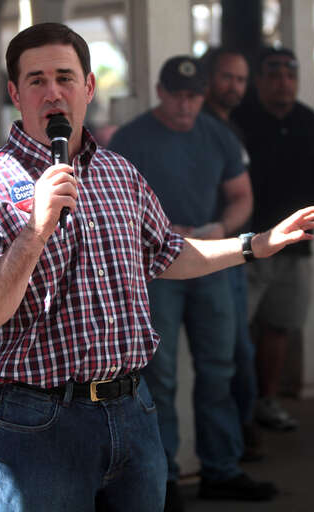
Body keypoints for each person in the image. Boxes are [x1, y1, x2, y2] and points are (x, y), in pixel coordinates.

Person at [0, 23, 314, 512]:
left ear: (88, 86)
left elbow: (167, 253)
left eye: (65, 77)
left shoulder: (120, 174)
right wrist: (34, 232)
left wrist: (254, 245)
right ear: (15, 94)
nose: (53, 92)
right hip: (41, 425)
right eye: (36, 80)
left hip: (133, 411)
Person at [108, 55, 273, 509]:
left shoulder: (218, 135)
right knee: (158, 377)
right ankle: (162, 482)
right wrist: (156, 232)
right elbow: (108, 204)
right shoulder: (130, 139)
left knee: (220, 367)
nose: (186, 105)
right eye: (178, 95)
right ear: (160, 92)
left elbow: (242, 197)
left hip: (211, 263)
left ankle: (221, 469)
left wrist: (222, 228)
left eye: (194, 96)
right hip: (156, 269)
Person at [232, 47, 314, 432]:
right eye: (274, 74)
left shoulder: (312, 124)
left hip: (296, 248)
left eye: (290, 75)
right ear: (259, 80)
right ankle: (237, 414)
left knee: (280, 326)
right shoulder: (240, 122)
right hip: (245, 247)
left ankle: (267, 401)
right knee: (235, 334)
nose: (283, 82)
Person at [201, 46, 265, 462]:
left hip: (238, 250)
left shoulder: (232, 128)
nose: (234, 86)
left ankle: (239, 437)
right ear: (208, 78)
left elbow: (242, 195)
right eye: (227, 77)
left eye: (241, 79)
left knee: (239, 351)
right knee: (226, 356)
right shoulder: (199, 127)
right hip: (201, 254)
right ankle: (232, 446)